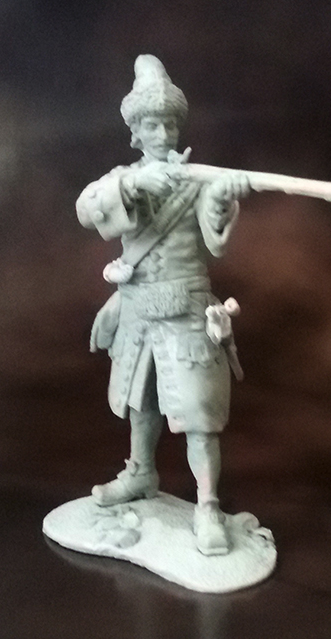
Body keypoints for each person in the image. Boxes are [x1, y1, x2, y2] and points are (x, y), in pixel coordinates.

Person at [76, 55, 250, 556]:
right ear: (135, 132)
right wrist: (132, 185)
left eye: (170, 124)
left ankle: (208, 506)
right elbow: (88, 208)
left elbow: (215, 241)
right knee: (141, 402)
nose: (163, 133)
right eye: (152, 124)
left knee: (198, 415)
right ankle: (140, 472)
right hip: (137, 311)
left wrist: (222, 201)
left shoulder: (197, 179)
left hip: (186, 309)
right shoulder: (122, 178)